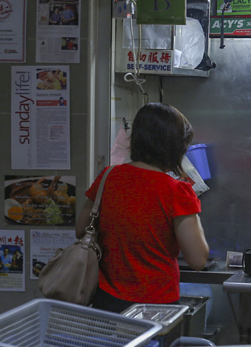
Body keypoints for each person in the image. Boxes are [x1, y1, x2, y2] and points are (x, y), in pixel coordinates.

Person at [76, 102, 209, 313]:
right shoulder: (176, 191)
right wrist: (191, 204)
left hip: (107, 300)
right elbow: (198, 260)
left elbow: (81, 229)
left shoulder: (108, 177)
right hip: (155, 305)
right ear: (176, 147)